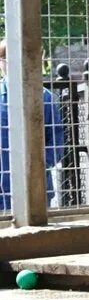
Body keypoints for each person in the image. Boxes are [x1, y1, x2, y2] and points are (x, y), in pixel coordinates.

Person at [0, 39, 64, 210]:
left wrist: (37, 164)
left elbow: (57, 143)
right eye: (6, 58)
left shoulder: (45, 97)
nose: (11, 63)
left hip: (35, 189)